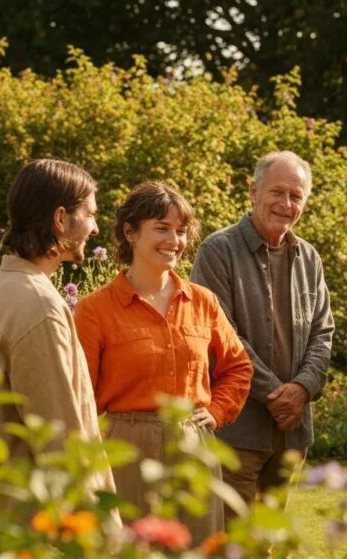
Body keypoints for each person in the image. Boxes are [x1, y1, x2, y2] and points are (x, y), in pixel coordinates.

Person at [74, 181, 253, 537]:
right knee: (131, 546)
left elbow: (238, 367)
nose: (174, 240)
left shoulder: (202, 302)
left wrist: (216, 411)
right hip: (125, 449)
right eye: (162, 228)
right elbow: (80, 395)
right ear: (130, 232)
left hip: (193, 445)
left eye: (181, 231)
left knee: (196, 545)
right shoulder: (94, 310)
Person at [0, 159, 116, 501]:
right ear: (60, 219)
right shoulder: (39, 304)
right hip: (28, 528)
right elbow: (62, 443)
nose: (96, 228)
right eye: (90, 214)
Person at [190, 150, 334, 514]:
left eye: (296, 196)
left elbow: (322, 331)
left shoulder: (309, 258)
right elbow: (220, 336)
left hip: (291, 434)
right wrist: (276, 395)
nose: (286, 204)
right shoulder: (217, 251)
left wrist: (302, 389)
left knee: (268, 543)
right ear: (253, 191)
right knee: (230, 545)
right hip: (237, 432)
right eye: (277, 192)